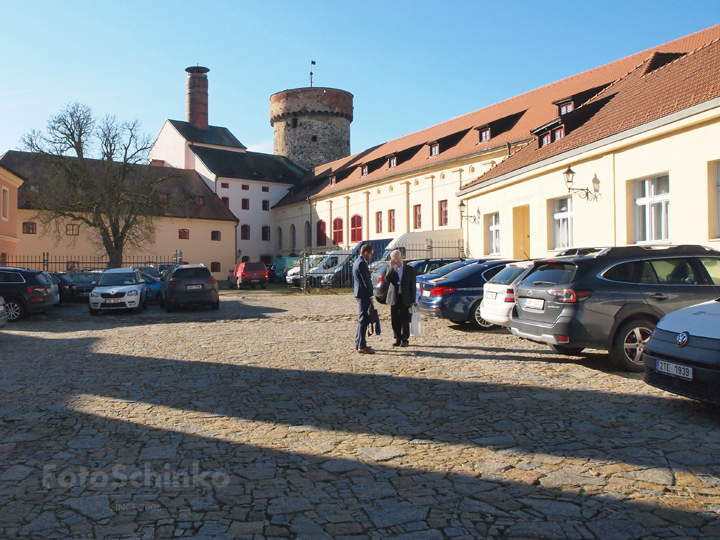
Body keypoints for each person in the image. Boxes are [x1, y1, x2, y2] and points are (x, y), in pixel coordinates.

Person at [385, 249, 417, 347]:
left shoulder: (409, 269)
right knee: (395, 319)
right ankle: (397, 338)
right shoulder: (391, 269)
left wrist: (412, 299)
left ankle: (405, 338)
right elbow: (387, 279)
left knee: (405, 319)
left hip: (405, 297)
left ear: (401, 257)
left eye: (397, 258)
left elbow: (412, 285)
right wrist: (391, 268)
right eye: (393, 258)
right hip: (394, 297)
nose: (395, 260)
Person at [353, 243, 375, 354]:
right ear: (365, 252)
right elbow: (366, 281)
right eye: (371, 254)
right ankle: (362, 345)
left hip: (359, 293)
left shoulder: (357, 261)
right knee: (364, 319)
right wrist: (371, 295)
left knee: (362, 318)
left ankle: (359, 342)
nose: (371, 256)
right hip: (363, 294)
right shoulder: (362, 263)